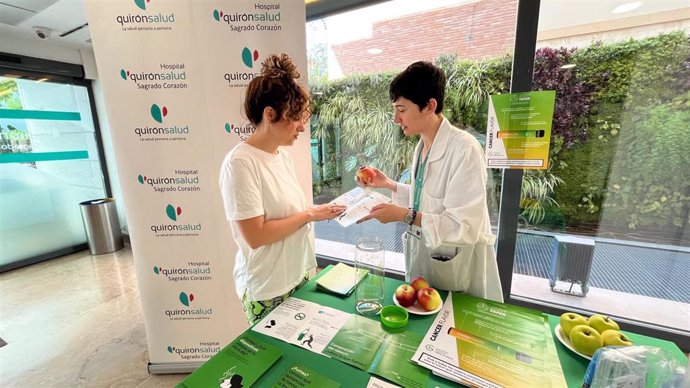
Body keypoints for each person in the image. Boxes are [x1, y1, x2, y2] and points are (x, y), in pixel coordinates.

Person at [357, 61, 503, 302]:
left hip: (457, 269)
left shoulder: (464, 149)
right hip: (425, 262)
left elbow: (463, 225)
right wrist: (389, 185)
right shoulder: (423, 145)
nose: (396, 119)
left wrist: (404, 215)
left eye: (402, 109)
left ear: (429, 106)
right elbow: (426, 197)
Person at [219, 53, 346, 324]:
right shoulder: (240, 163)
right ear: (270, 114)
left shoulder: (281, 155)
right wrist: (309, 215)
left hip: (297, 276)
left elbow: (287, 214)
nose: (302, 127)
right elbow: (256, 235)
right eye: (296, 117)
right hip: (268, 288)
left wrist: (314, 211)